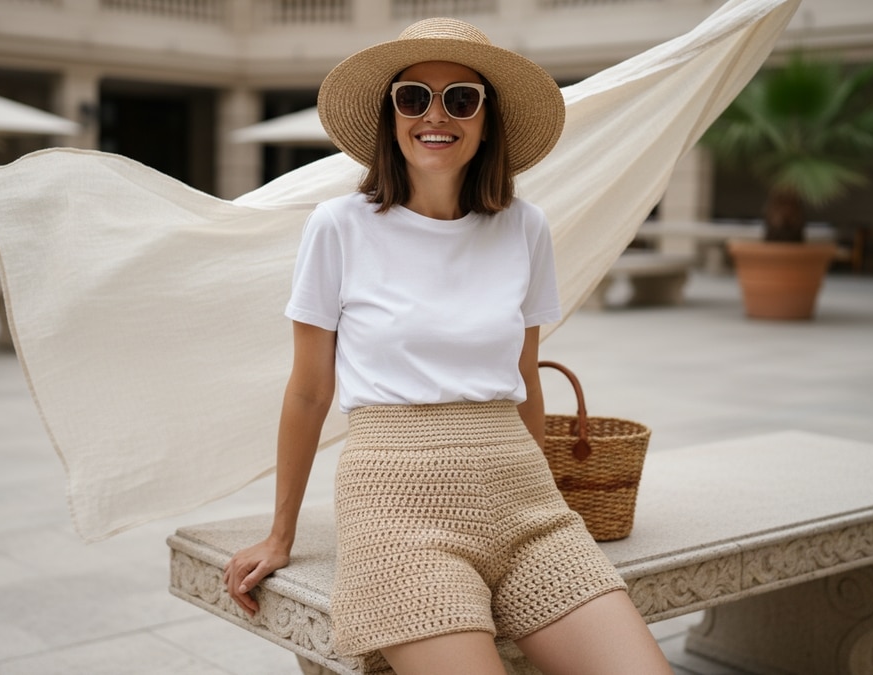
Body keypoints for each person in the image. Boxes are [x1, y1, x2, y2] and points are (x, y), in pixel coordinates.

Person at [223, 18, 674, 675]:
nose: (437, 115)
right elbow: (310, 389)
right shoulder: (338, 226)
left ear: (487, 120)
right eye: (414, 98)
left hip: (525, 502)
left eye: (462, 98)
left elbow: (524, 375)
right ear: (391, 116)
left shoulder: (526, 227)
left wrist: (546, 493)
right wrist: (281, 532)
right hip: (397, 510)